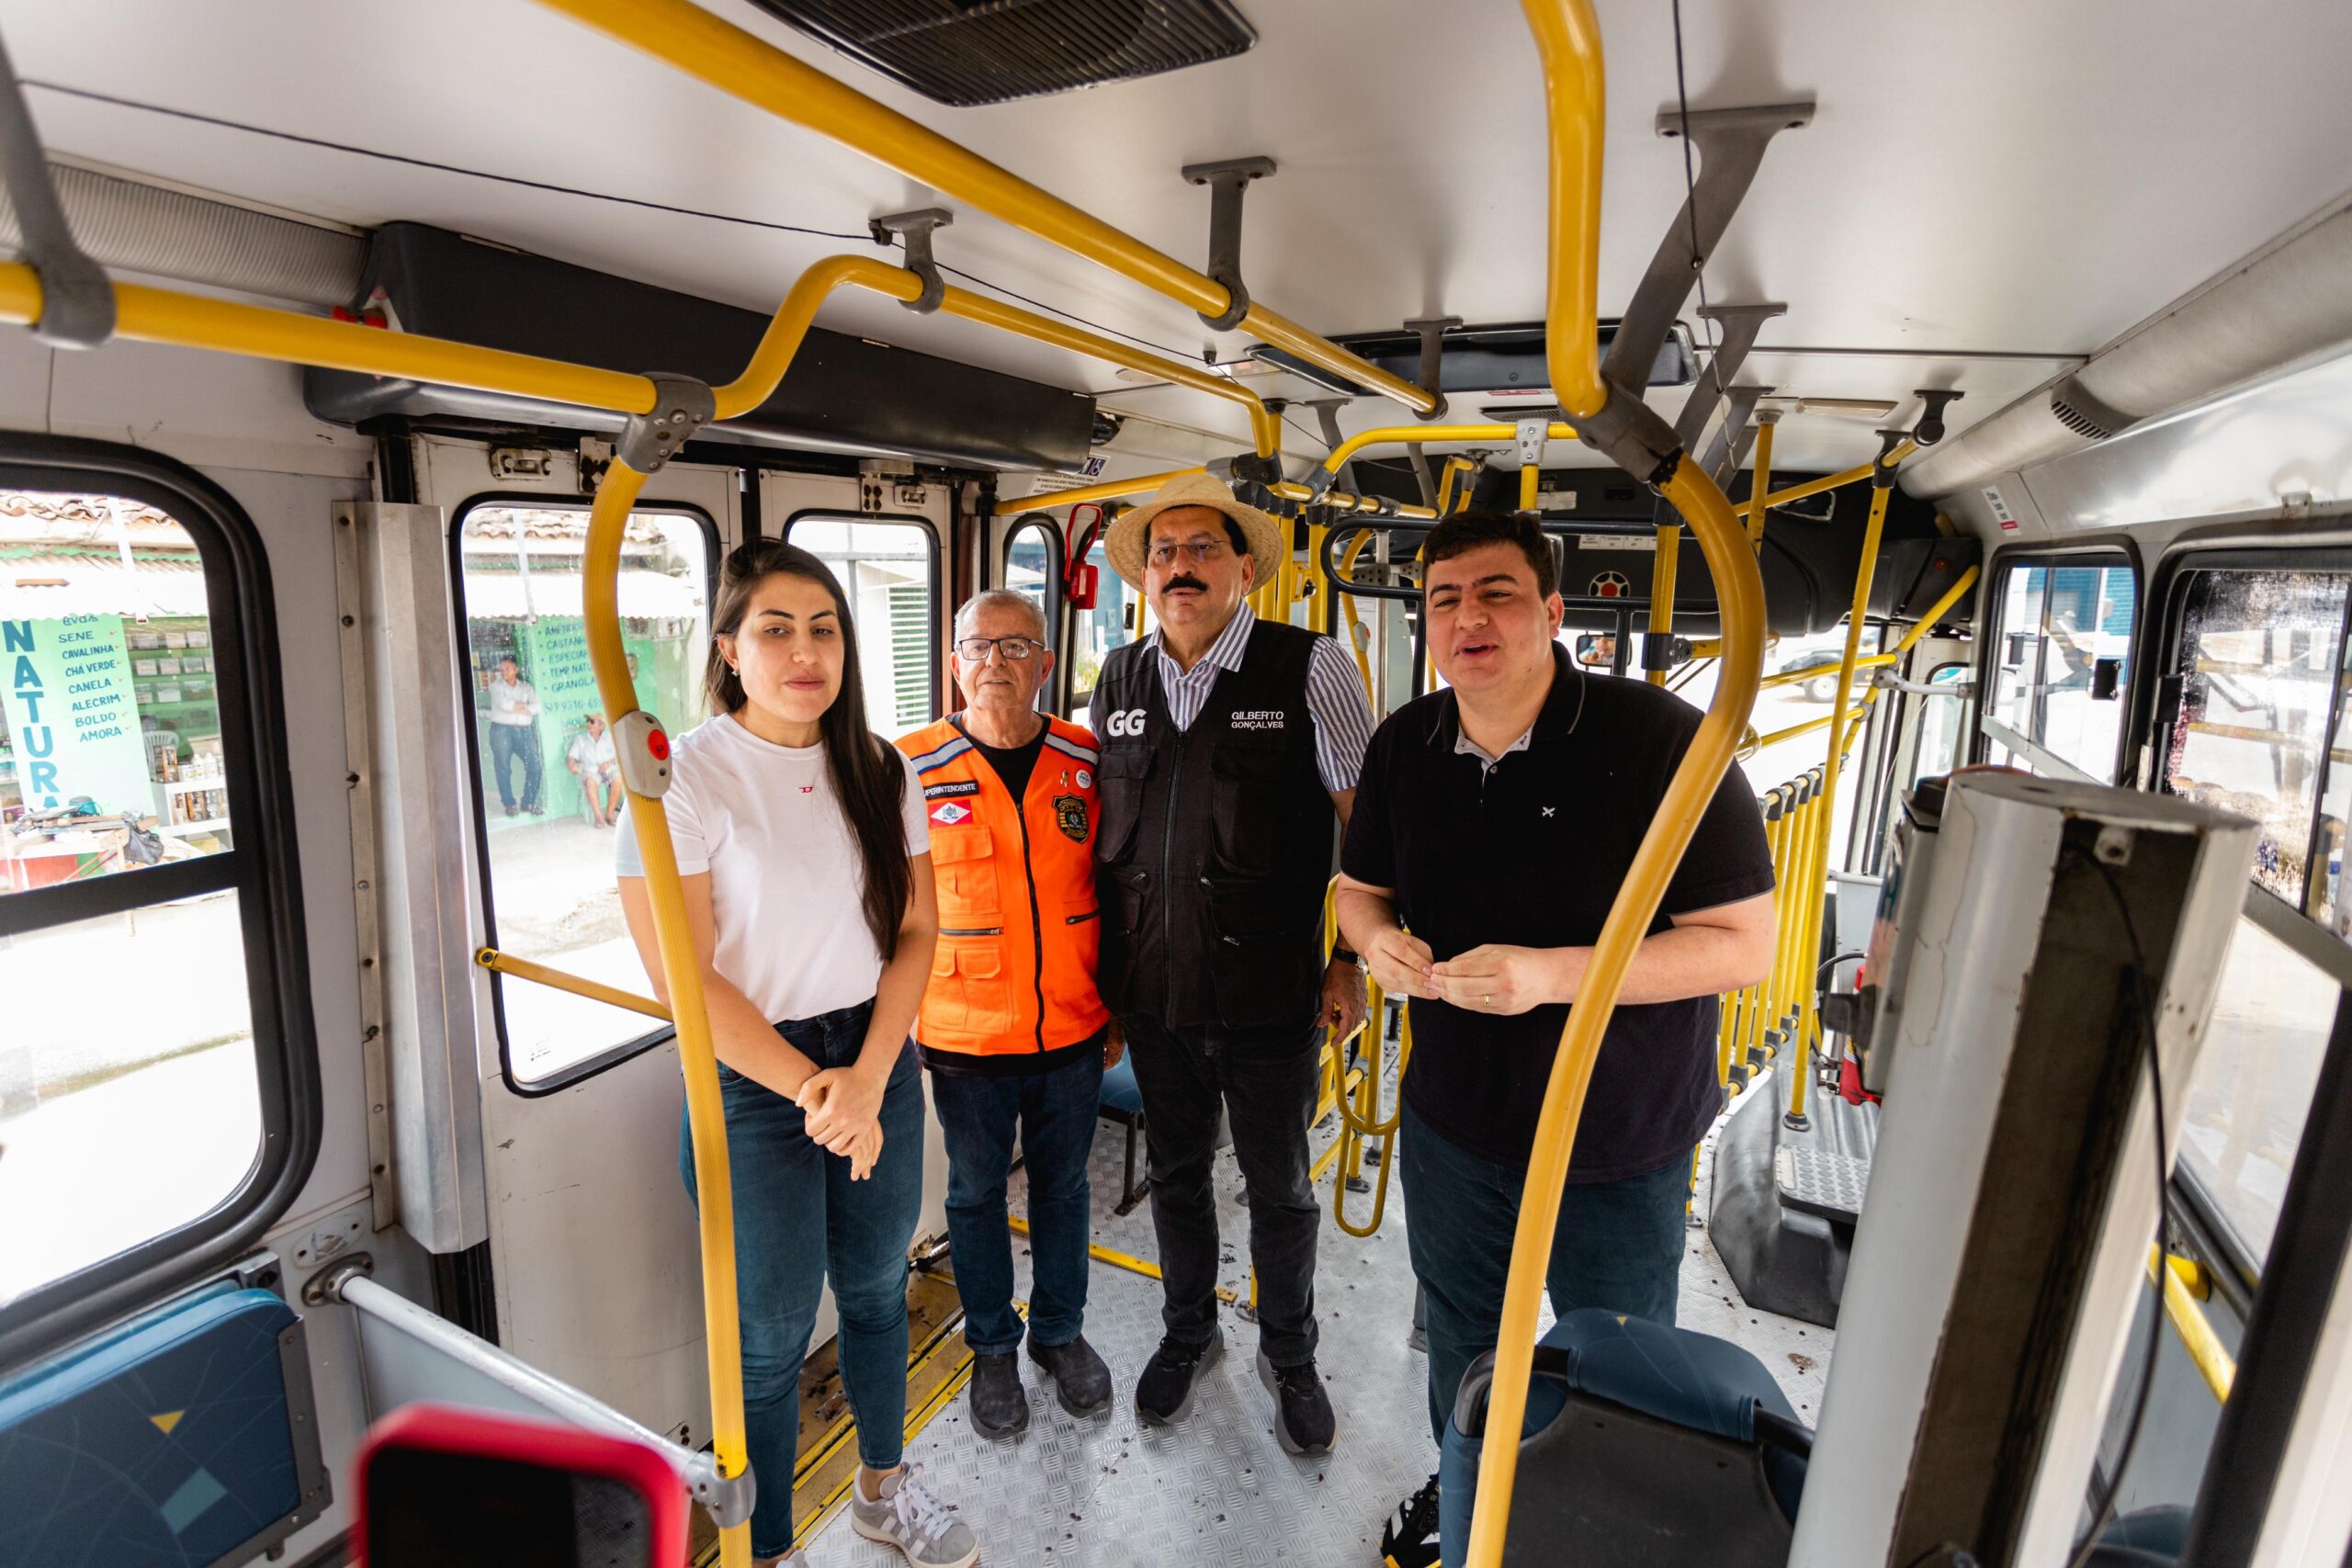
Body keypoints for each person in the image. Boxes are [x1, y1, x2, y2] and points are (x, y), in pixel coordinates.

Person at [1333, 510, 1778, 1568]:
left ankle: (1591, 1531)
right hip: (1453, 1126)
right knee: (1465, 1342)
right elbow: (1357, 892)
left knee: (1615, 1357)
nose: (1465, 618)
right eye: (1443, 599)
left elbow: (1740, 944)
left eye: (1494, 593)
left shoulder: (1661, 741)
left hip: (1617, 1138)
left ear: (1551, 612)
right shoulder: (1407, 743)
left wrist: (1551, 979)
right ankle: (1467, 1489)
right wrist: (1378, 942)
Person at [615, 539, 977, 1568]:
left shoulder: (877, 766)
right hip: (750, 1081)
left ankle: (881, 1493)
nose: (804, 649)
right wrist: (824, 1093)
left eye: (824, 627)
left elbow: (914, 932)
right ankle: (764, 1549)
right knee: (767, 1343)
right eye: (775, 628)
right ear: (729, 648)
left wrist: (867, 1078)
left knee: (874, 1291)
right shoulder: (680, 781)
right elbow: (685, 984)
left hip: (871, 1058)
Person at [1089, 471, 1374, 1455]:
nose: (1179, 567)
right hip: (1157, 998)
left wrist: (1349, 960)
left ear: (1243, 569)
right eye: (1163, 553)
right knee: (1175, 1177)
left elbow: (1365, 829)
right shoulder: (1118, 679)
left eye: (1201, 549)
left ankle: (1289, 1354)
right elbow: (1104, 849)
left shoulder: (1310, 666)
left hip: (1269, 995)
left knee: (1281, 1185)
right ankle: (1188, 1332)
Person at [895, 589, 1119, 1440]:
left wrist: (1119, 1007)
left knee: (1063, 1189)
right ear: (954, 663)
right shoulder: (908, 765)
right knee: (975, 1193)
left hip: (1072, 1024)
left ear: (1046, 664)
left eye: (1016, 645)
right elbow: (885, 907)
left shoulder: (1085, 757)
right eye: (978, 646)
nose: (996, 660)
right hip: (960, 1032)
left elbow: (1116, 887)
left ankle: (1059, 1331)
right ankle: (992, 1343)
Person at [486, 654, 544, 817]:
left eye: (508, 668)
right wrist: (526, 707)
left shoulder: (526, 687)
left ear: (516, 669)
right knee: (503, 767)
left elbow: (538, 706)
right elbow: (505, 706)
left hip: (523, 731)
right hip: (501, 730)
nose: (504, 672)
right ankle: (509, 804)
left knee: (534, 766)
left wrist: (518, 707)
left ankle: (528, 802)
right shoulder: (496, 687)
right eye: (502, 668)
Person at [565, 711, 623, 826]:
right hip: (590, 771)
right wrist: (571, 764)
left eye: (592, 722)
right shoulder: (580, 739)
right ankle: (598, 816)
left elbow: (621, 755)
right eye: (588, 721)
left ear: (601, 726)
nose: (588, 724)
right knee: (591, 782)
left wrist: (608, 762)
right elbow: (571, 757)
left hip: (609, 769)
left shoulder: (609, 737)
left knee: (618, 779)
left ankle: (609, 815)